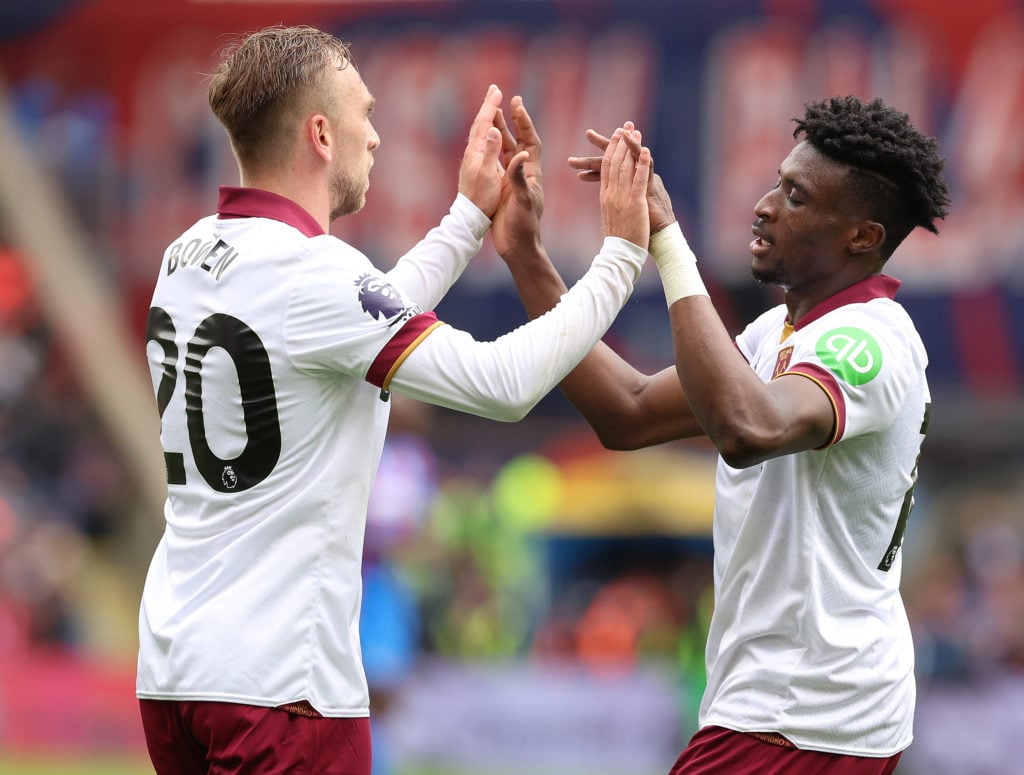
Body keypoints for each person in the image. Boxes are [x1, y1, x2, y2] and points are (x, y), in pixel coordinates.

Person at [135, 24, 653, 775]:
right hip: (283, 687)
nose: (376, 138)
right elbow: (500, 383)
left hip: (175, 671)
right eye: (366, 115)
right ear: (321, 133)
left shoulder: (185, 254)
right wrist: (621, 255)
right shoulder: (314, 273)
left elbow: (348, 328)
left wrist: (468, 216)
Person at [493, 94, 950, 774]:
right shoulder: (779, 334)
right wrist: (527, 254)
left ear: (861, 235)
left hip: (802, 715)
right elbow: (628, 409)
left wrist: (667, 244)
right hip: (789, 712)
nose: (765, 205)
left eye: (796, 197)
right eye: (776, 183)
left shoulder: (870, 341)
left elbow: (747, 427)